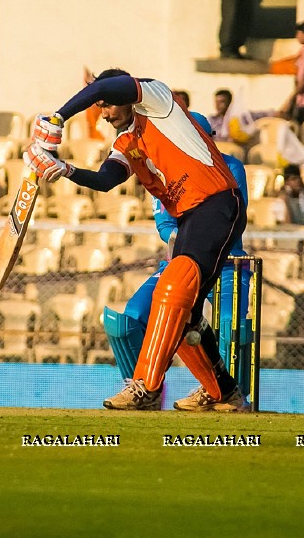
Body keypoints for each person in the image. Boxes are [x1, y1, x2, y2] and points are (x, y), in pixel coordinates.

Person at [23, 70, 246, 410]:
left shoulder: (158, 101)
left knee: (173, 288)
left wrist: (58, 116)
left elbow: (108, 85)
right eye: (100, 107)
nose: (105, 112)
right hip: (189, 216)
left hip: (216, 202)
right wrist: (64, 168)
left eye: (108, 104)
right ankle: (223, 392)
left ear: (126, 96)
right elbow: (106, 180)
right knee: (183, 314)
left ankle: (145, 386)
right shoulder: (126, 142)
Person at [102, 110, 251, 411]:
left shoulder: (229, 166)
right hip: (183, 255)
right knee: (134, 313)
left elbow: (226, 217)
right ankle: (144, 388)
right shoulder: (165, 167)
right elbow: (165, 225)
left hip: (227, 260)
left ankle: (223, 394)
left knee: (227, 323)